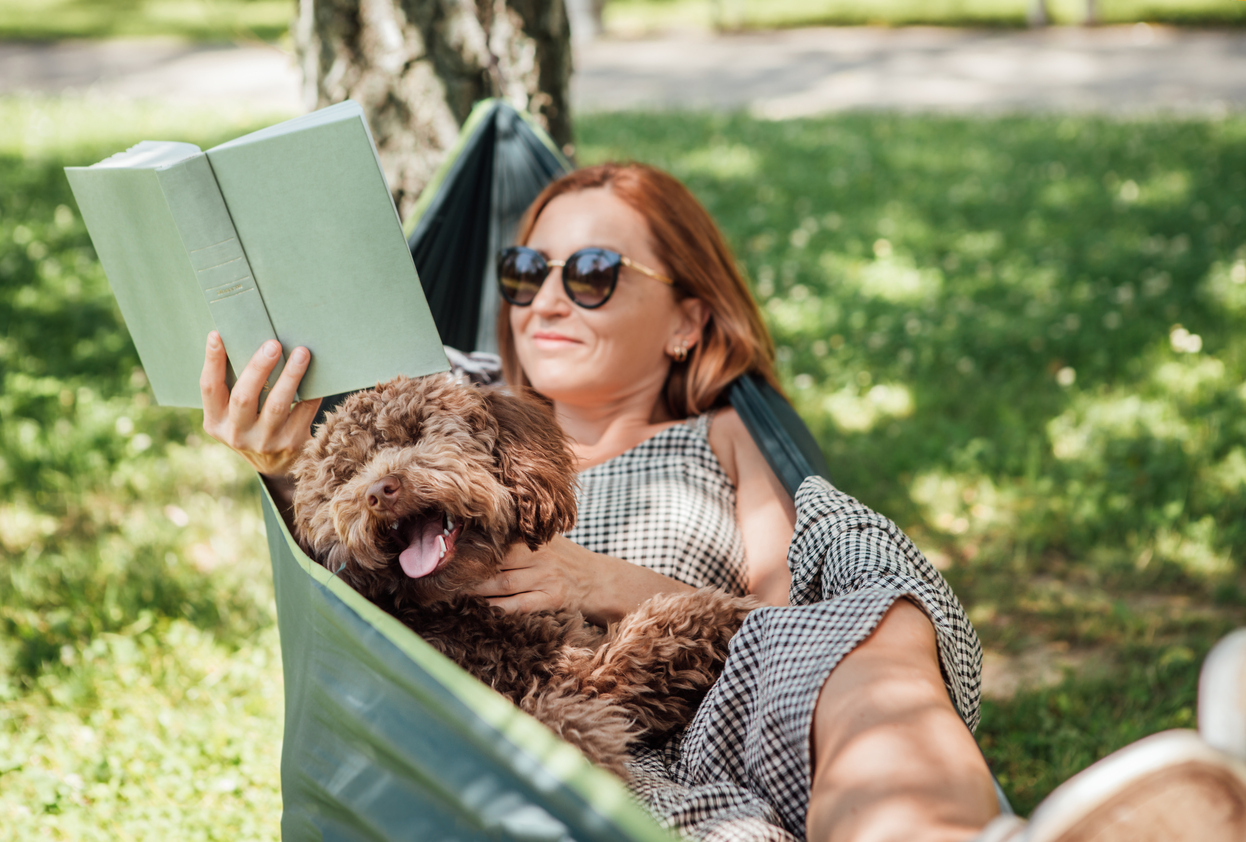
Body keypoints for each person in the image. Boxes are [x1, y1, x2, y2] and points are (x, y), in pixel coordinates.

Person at [200, 163, 1246, 842]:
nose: (547, 297)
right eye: (525, 271)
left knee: (874, 617)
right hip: (535, 753)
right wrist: (279, 461)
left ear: (688, 322)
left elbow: (798, 625)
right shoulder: (445, 400)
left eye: (596, 271)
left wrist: (603, 581)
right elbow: (344, 547)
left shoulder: (725, 437)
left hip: (721, 710)